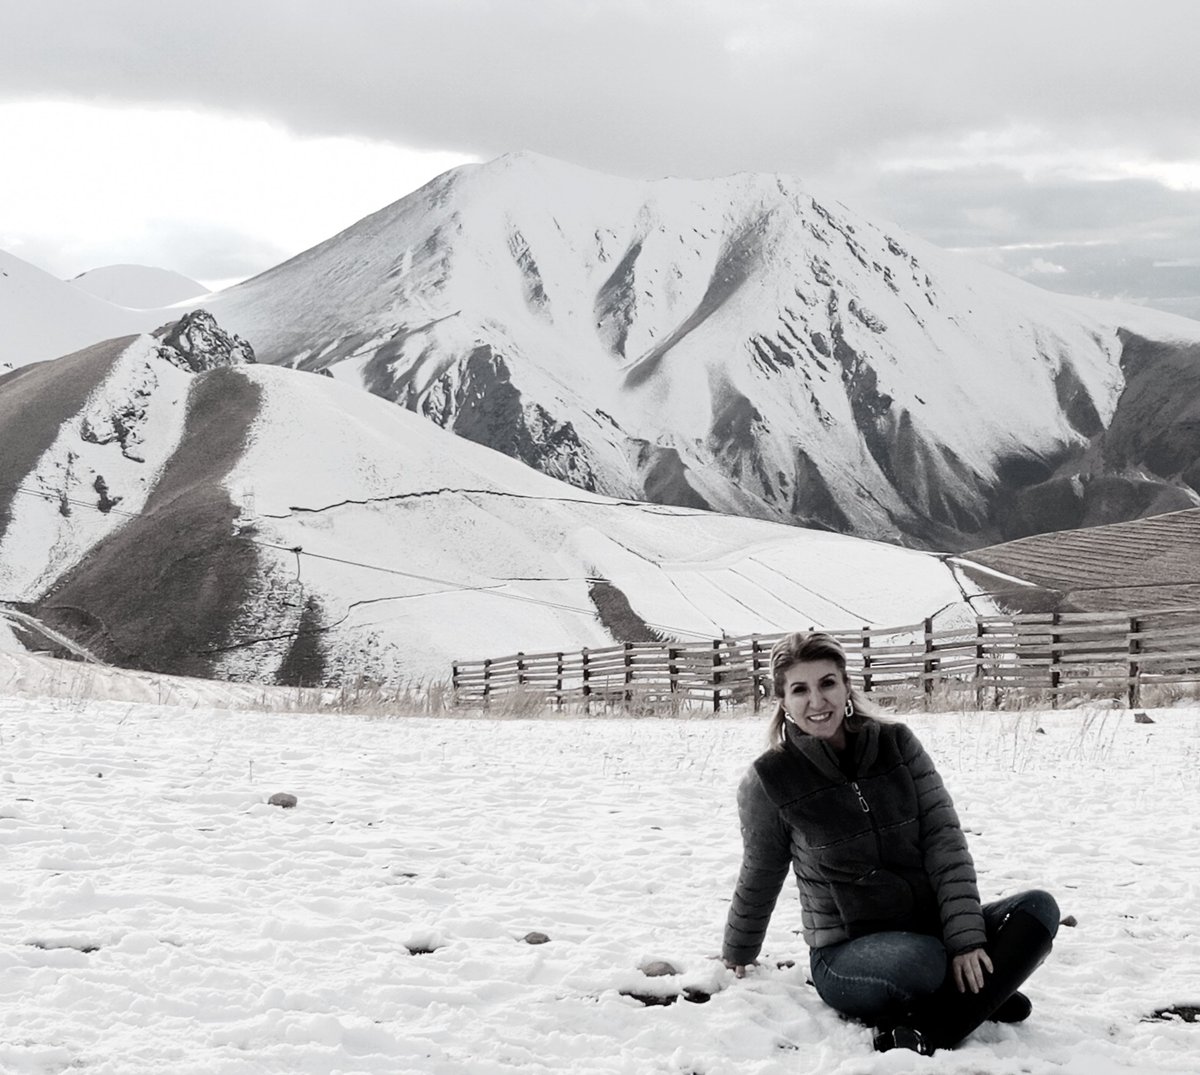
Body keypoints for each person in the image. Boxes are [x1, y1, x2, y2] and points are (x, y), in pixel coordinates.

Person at [722, 631, 1059, 1055]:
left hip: (930, 927)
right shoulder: (769, 779)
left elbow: (945, 843)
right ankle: (981, 998)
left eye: (827, 683)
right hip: (847, 955)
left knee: (1037, 909)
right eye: (800, 689)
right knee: (923, 961)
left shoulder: (896, 743)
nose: (816, 701)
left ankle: (935, 1022)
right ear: (783, 700)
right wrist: (739, 949)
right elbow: (761, 868)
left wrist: (967, 941)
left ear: (846, 685)